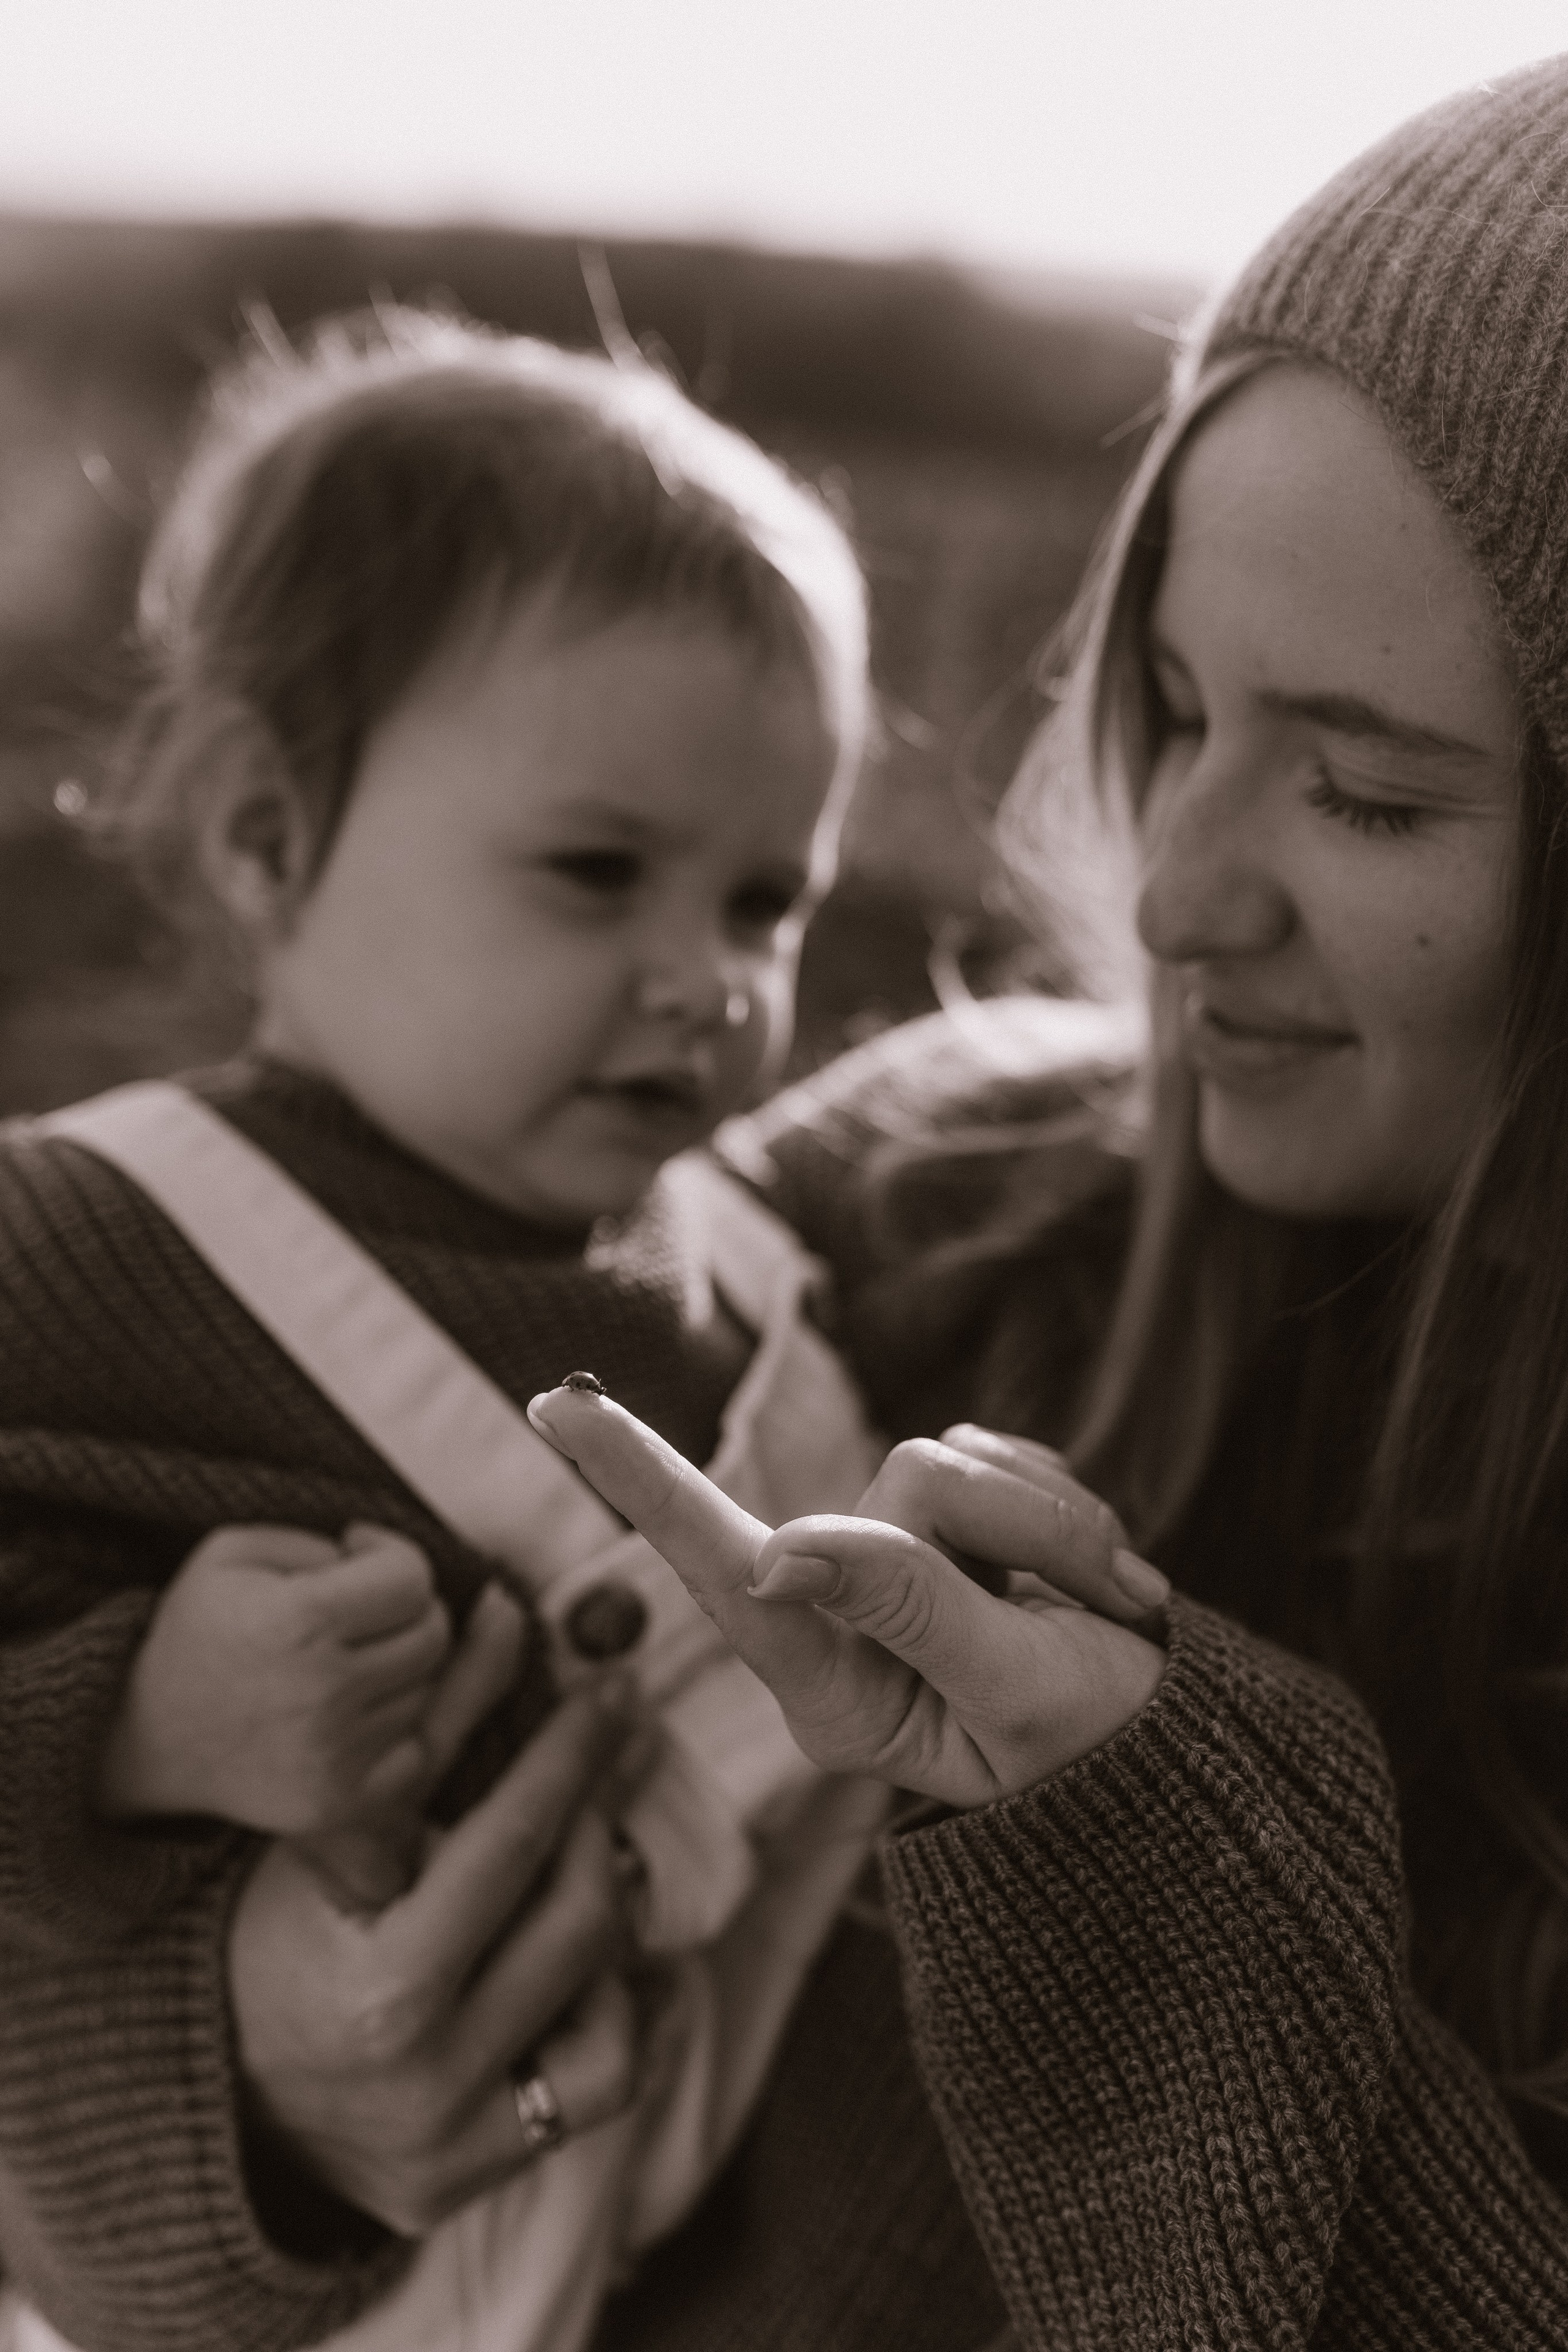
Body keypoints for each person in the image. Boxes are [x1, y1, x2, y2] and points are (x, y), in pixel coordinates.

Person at [9, 54, 1568, 2352]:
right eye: (1172, 706)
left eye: (1360, 790)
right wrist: (257, 2079)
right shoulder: (919, 1211)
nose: (1172, 897)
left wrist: (1177, 1875)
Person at [0, 306, 911, 2352]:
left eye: (767, 902)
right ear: (265, 836)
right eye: (601, 872)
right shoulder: (81, 1245)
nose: (708, 981)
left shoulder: (753, 1284)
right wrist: (135, 1716)